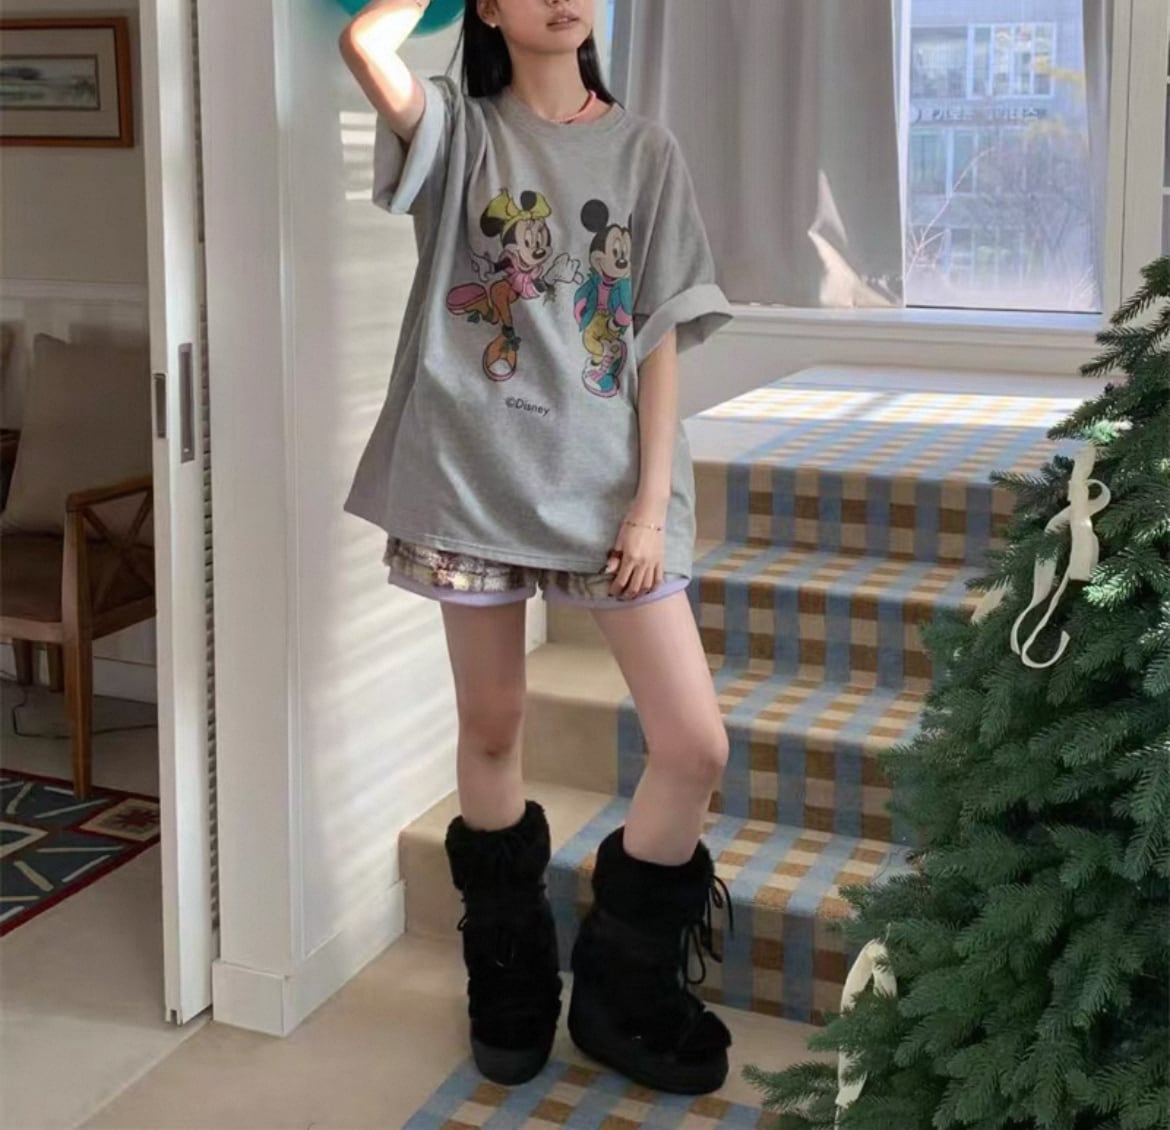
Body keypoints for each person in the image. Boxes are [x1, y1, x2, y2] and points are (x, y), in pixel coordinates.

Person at [339, 0, 735, 1096]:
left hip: (609, 492)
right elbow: (365, 46)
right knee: (494, 725)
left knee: (693, 743)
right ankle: (510, 975)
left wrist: (649, 503)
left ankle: (621, 986)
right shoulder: (459, 130)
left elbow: (658, 337)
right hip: (472, 478)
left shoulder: (645, 150)